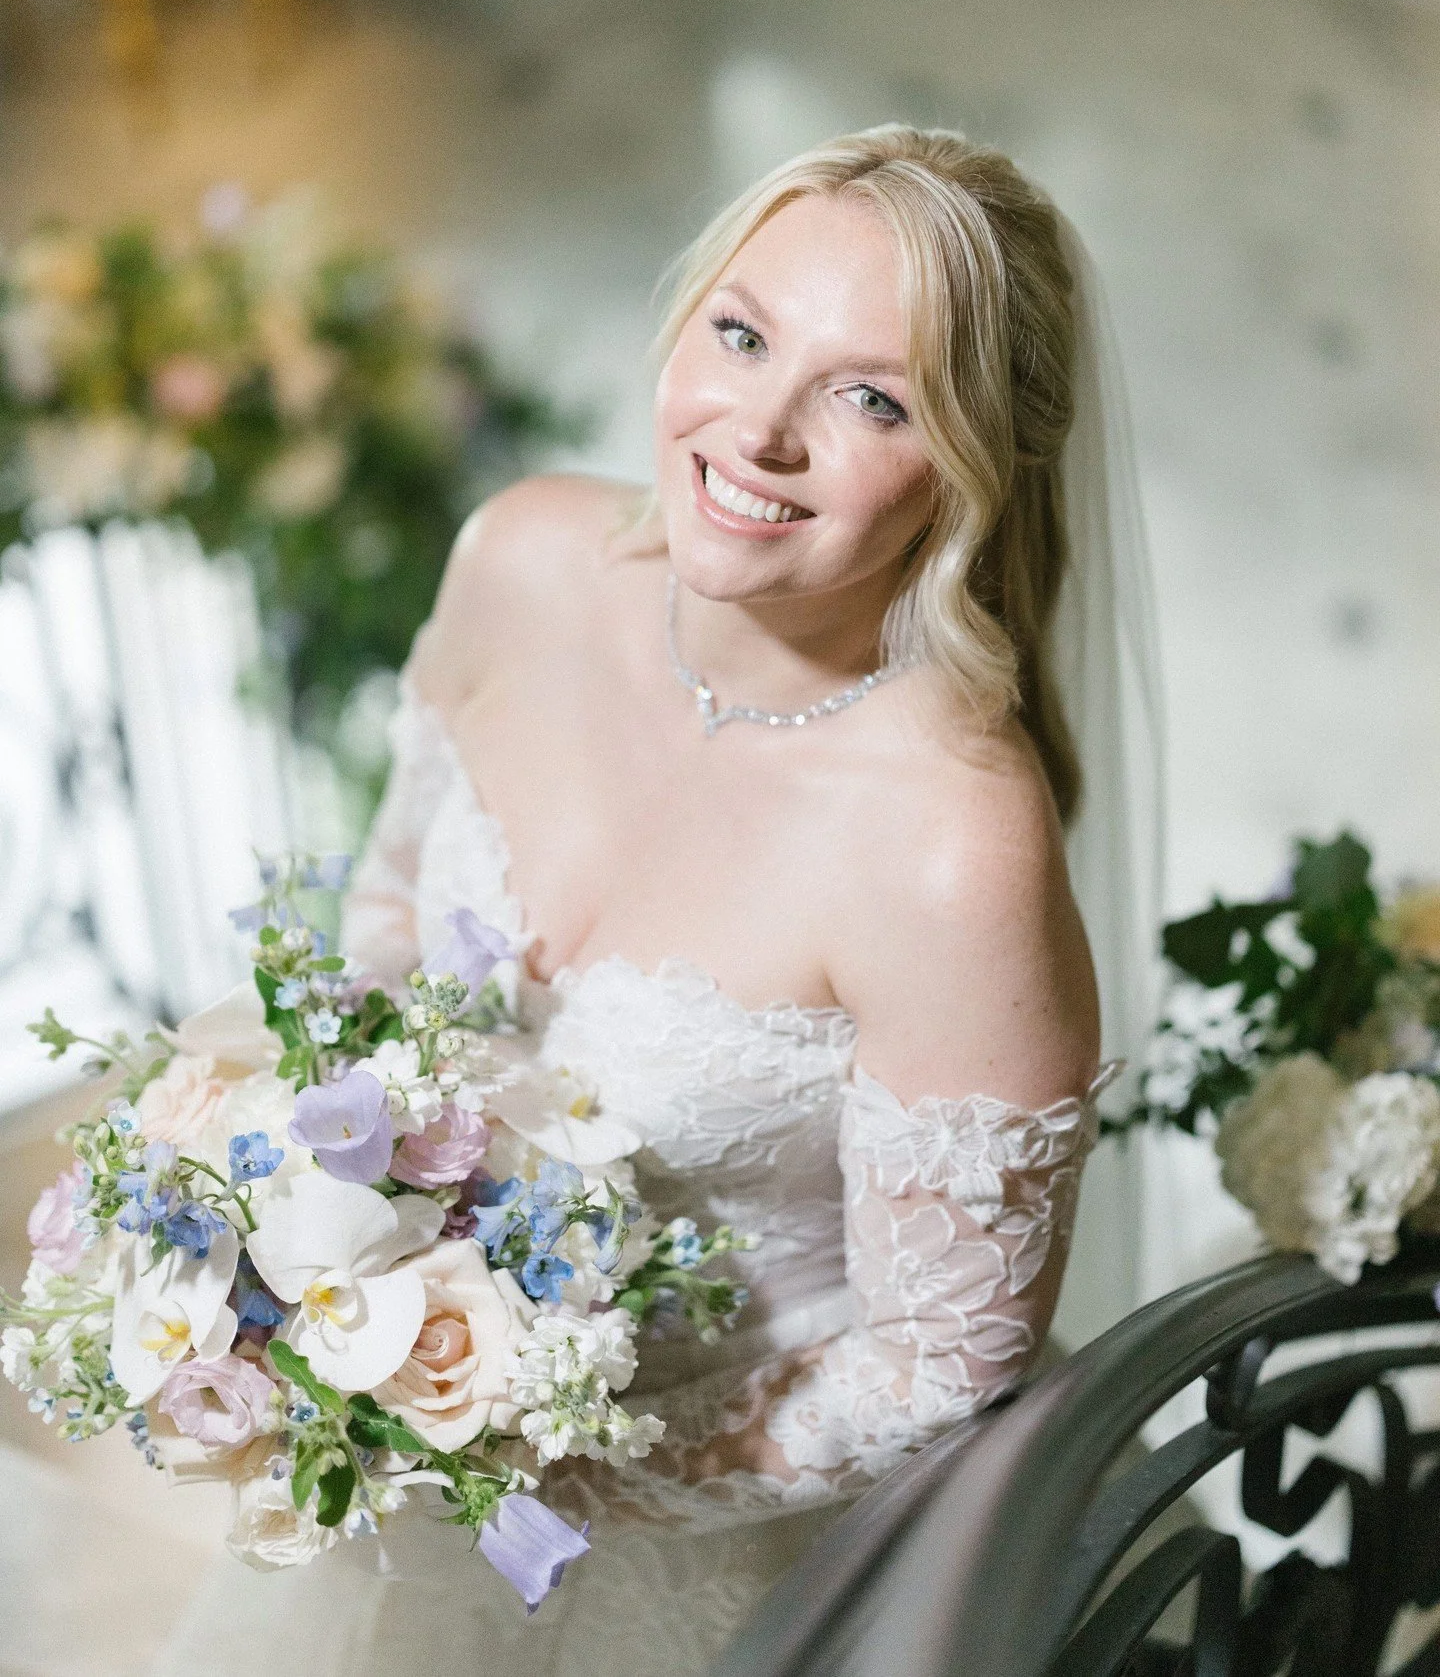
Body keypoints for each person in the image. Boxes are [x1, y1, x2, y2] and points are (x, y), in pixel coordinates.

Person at [151, 123, 1160, 1677]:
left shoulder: (950, 848)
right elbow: (398, 900)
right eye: (744, 334)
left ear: (972, 465)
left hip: (727, 1541)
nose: (757, 433)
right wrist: (321, 1212)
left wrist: (551, 1453)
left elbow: (941, 1357)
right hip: (409, 1433)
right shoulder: (524, 553)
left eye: (872, 397)